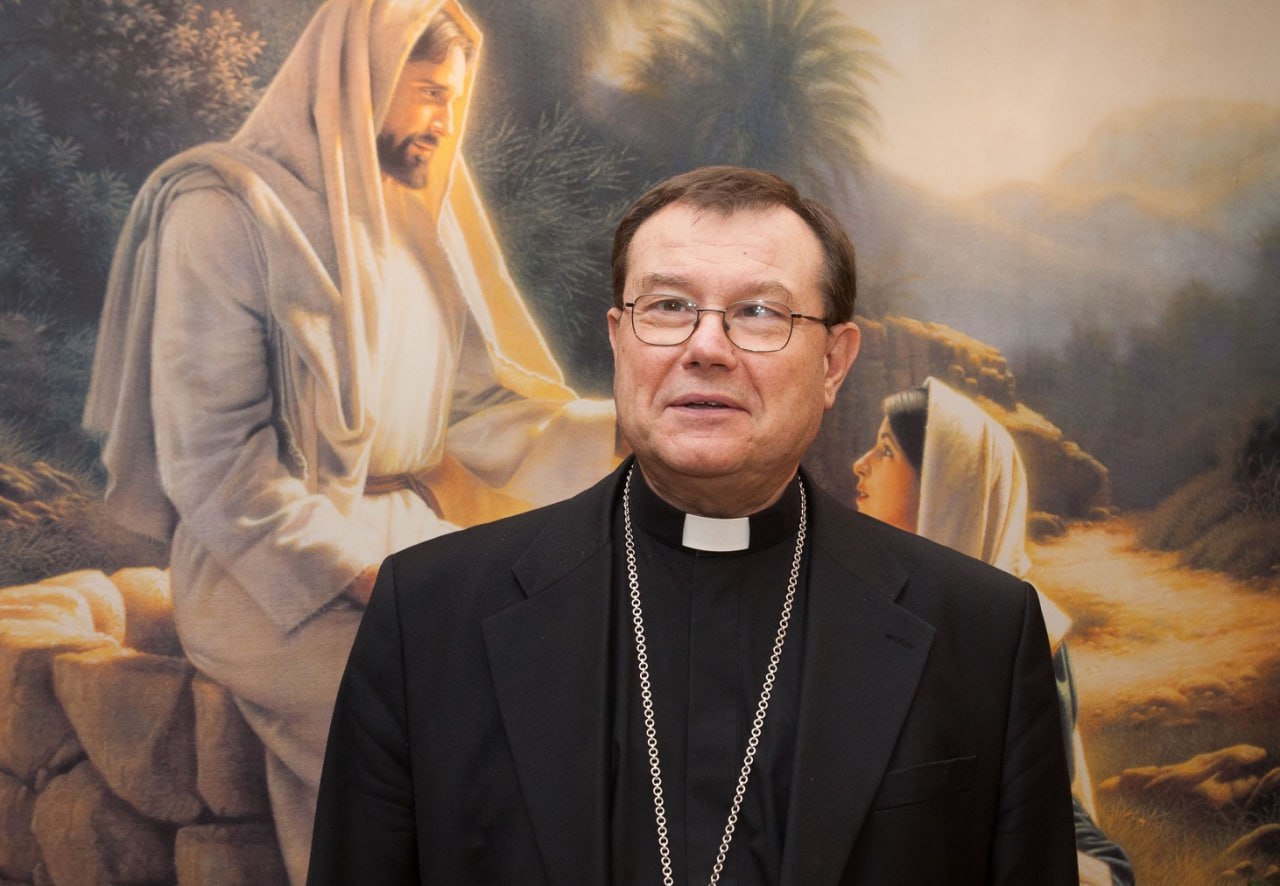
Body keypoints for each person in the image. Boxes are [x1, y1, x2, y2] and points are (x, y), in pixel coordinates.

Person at [308, 166, 1078, 884]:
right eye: (669, 307)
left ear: (834, 362)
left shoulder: (983, 633)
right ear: (618, 339)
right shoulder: (428, 615)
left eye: (759, 313)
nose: (706, 348)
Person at [81, 1, 616, 882]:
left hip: (408, 545)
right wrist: (366, 573)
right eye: (429, 92)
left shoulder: (419, 215)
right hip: (264, 576)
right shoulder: (224, 212)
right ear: (359, 80)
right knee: (439, 718)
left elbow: (478, 411)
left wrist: (632, 435)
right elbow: (213, 465)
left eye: (455, 97)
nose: (445, 119)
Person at [853, 376, 1134, 886]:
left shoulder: (1026, 633)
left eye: (886, 450)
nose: (861, 464)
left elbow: (1060, 821)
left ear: (945, 483)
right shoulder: (863, 607)